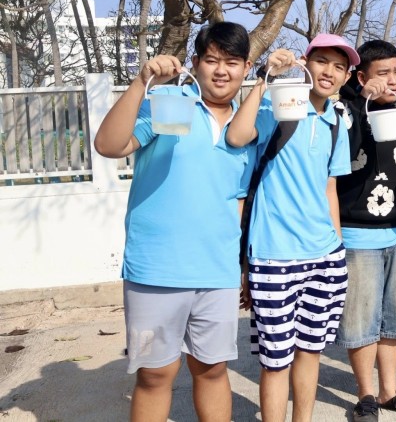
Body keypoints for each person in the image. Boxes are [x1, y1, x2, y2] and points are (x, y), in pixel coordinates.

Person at [93, 22, 255, 422]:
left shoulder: (247, 126)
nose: (222, 71)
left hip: (216, 272)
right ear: (196, 63)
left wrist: (241, 265)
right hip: (157, 268)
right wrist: (141, 83)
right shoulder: (168, 103)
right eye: (212, 60)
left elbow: (237, 202)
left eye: (232, 62)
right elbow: (109, 145)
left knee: (213, 369)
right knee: (155, 374)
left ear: (246, 68)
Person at [226, 34, 355, 422]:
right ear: (305, 62)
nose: (329, 72)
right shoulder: (276, 108)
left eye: (339, 66)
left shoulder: (336, 123)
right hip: (274, 255)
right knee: (275, 360)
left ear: (347, 77)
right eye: (322, 61)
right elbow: (236, 135)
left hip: (325, 257)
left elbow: (330, 189)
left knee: (311, 352)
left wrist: (339, 248)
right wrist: (265, 77)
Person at [333, 40, 396, 422]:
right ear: (362, 77)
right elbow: (339, 158)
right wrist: (363, 103)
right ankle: (366, 395)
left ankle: (389, 390)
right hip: (356, 231)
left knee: (394, 318)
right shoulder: (344, 108)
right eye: (382, 73)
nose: (392, 80)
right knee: (360, 321)